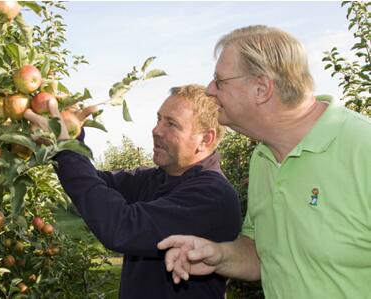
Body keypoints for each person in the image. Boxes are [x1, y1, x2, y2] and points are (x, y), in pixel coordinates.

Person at [157, 25, 371, 299]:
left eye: (219, 81)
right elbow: (264, 255)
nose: (210, 90)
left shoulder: (362, 150)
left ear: (261, 88)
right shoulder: (263, 158)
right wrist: (219, 255)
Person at [24, 84, 242, 298]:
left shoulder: (212, 197)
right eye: (159, 119)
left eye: (172, 124)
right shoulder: (156, 179)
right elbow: (92, 183)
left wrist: (65, 149)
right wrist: (71, 139)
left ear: (205, 139)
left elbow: (121, 227)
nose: (156, 130)